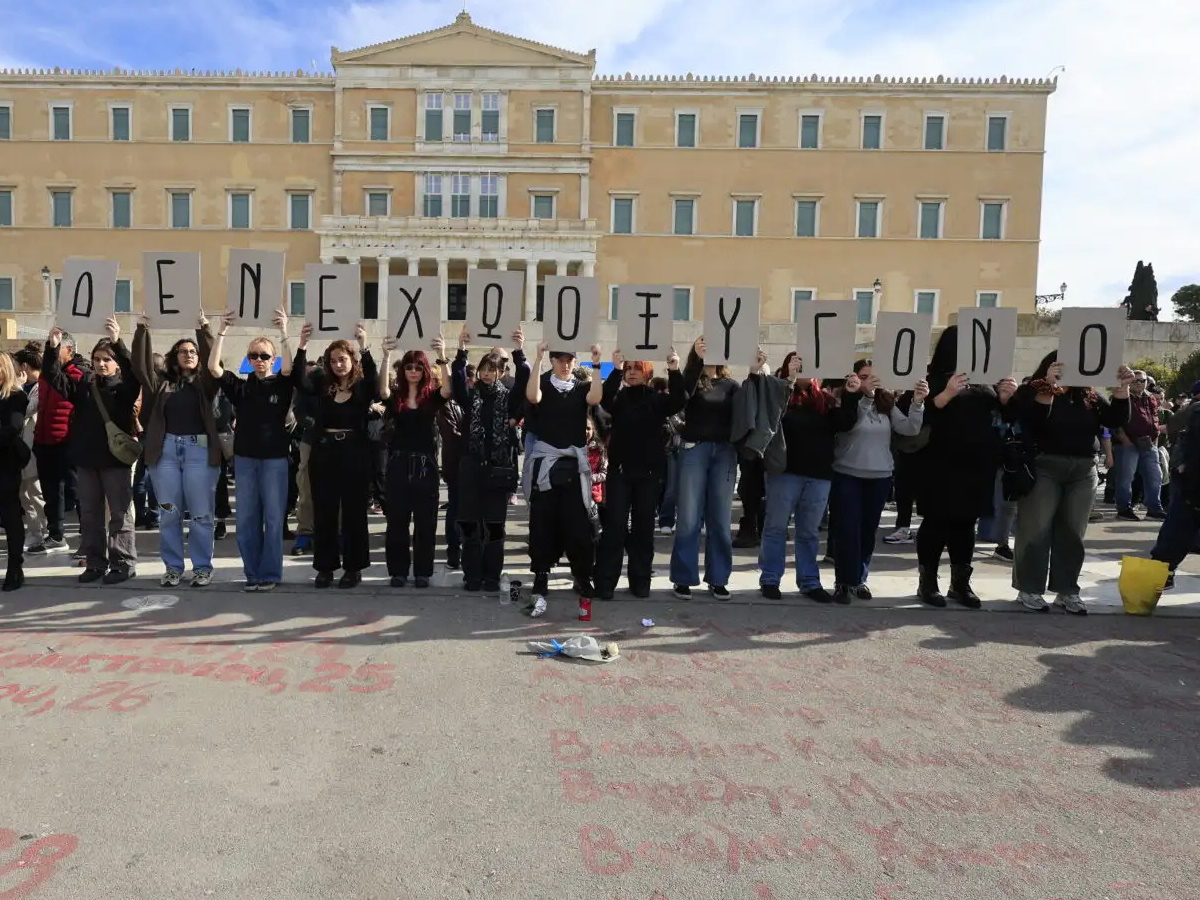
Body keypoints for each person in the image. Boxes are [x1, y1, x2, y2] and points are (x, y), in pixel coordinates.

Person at [1010, 354, 1133, 614]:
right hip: (1044, 465)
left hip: (1083, 468)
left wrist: (1122, 392)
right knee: (1036, 529)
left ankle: (1067, 590)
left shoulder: (1087, 395)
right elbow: (1031, 420)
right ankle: (1029, 588)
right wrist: (1047, 387)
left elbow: (1113, 420)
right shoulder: (1030, 389)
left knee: (1073, 532)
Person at [913, 327, 1018, 608]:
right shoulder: (932, 379)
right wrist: (946, 394)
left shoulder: (985, 383)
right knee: (936, 522)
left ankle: (960, 583)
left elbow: (1005, 416)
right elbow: (922, 414)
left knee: (965, 524)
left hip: (977, 463)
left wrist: (1007, 398)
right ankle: (928, 582)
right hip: (939, 462)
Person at [208, 309, 302, 592]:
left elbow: (291, 368)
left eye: (264, 356)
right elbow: (213, 368)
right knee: (247, 520)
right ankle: (252, 573)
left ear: (273, 360)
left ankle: (271, 573)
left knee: (274, 520)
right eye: (254, 356)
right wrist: (222, 329)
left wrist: (284, 330)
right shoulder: (241, 387)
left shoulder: (282, 384)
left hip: (275, 460)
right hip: (246, 460)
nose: (259, 361)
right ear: (248, 360)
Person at [46, 318, 141, 584]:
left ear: (116, 363)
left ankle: (122, 563)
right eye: (97, 359)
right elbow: (54, 378)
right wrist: (52, 348)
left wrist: (118, 341)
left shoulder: (124, 388)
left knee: (119, 515)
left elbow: (136, 372)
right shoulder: (84, 386)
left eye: (106, 359)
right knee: (90, 517)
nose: (101, 364)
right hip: (86, 461)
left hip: (115, 462)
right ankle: (95, 563)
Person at [133, 313, 224, 588]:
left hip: (199, 452)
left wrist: (203, 328)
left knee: (200, 514)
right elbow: (140, 366)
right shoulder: (161, 384)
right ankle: (173, 568)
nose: (188, 354)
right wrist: (142, 330)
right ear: (174, 357)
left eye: (193, 351)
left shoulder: (205, 383)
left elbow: (213, 362)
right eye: (183, 351)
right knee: (169, 513)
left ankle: (202, 568)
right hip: (167, 453)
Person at [829, 359, 928, 604]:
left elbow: (910, 428)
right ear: (853, 377)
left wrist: (917, 402)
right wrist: (865, 397)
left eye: (873, 377)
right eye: (863, 376)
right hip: (848, 473)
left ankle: (859, 579)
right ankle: (843, 581)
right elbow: (850, 426)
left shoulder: (886, 403)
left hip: (879, 476)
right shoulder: (846, 399)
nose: (868, 381)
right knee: (847, 530)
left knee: (866, 531)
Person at [594, 349, 686, 599]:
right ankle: (605, 583)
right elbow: (603, 400)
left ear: (646, 372)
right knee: (614, 527)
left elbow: (679, 400)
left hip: (648, 474)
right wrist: (614, 368)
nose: (632, 372)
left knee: (644, 529)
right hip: (620, 473)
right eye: (628, 369)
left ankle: (640, 581)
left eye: (636, 368)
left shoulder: (656, 399)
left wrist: (675, 369)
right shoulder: (619, 397)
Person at [524, 341, 604, 615]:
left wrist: (596, 363)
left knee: (578, 526)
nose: (565, 364)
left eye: (569, 359)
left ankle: (581, 577)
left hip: (573, 466)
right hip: (547, 465)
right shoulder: (544, 383)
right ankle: (541, 576)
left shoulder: (582, 388)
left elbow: (596, 398)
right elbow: (532, 397)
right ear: (553, 361)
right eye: (560, 359)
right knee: (543, 523)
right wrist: (537, 358)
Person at [295, 324, 376, 588]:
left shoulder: (362, 387)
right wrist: (302, 345)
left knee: (353, 513)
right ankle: (325, 567)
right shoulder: (322, 383)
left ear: (352, 361)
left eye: (343, 359)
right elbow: (300, 382)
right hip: (325, 452)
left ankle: (353, 568)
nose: (339, 365)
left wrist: (364, 345)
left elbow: (375, 383)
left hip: (354, 453)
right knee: (325, 511)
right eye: (333, 360)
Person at [757, 352, 840, 603]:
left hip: (819, 474)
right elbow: (773, 415)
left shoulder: (825, 400)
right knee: (775, 528)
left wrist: (857, 394)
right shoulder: (779, 391)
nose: (806, 370)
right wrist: (790, 380)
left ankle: (809, 581)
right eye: (799, 365)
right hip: (786, 473)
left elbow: (844, 423)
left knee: (809, 532)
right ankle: (770, 579)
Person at [452, 330, 528, 593]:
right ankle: (472, 575)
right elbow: (457, 381)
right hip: (471, 467)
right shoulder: (470, 397)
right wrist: (461, 350)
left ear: (499, 373)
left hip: (498, 469)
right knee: (470, 525)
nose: (486, 374)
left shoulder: (507, 398)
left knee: (494, 527)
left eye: (491, 370)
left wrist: (519, 351)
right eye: (483, 369)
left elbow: (524, 380)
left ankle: (492, 576)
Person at [378, 335, 452, 588]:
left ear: (424, 370)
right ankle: (398, 571)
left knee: (425, 523)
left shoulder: (432, 397)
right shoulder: (396, 396)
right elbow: (382, 391)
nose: (412, 371)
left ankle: (422, 572)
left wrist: (442, 355)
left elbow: (448, 390)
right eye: (409, 367)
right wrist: (387, 355)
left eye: (418, 367)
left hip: (425, 466)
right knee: (396, 522)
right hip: (398, 464)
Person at [670, 337, 740, 601]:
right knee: (688, 517)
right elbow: (680, 398)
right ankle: (683, 578)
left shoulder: (732, 385)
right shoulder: (693, 380)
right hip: (694, 449)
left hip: (724, 451)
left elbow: (744, 413)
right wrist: (696, 362)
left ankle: (719, 578)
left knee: (720, 519)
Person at [34, 329, 86, 554]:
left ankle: (89, 539)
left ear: (70, 350)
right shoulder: (46, 373)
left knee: (78, 492)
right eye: (50, 345)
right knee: (51, 492)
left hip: (68, 442)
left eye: (57, 346)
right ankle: (56, 536)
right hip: (45, 440)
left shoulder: (79, 373)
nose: (52, 349)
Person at [1152, 380, 1200, 591]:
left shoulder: (1194, 410)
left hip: (1190, 481)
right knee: (1177, 531)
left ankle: (1161, 574)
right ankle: (1161, 574)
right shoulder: (1195, 410)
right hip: (1191, 481)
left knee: (1177, 532)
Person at [1112, 370, 1166, 521]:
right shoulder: (1122, 396)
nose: (1139, 383)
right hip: (1128, 444)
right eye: (1135, 380)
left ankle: (1154, 509)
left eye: (1142, 381)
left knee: (1155, 476)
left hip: (1148, 444)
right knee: (1125, 478)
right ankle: (1123, 509)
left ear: (1147, 382)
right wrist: (1125, 441)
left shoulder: (1150, 398)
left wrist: (1154, 440)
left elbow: (1154, 420)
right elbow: (1114, 422)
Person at [437, 363, 473, 571]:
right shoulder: (448, 404)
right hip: (456, 462)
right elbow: (452, 434)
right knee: (456, 508)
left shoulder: (471, 400)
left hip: (470, 462)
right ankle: (454, 552)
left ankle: (468, 550)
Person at [13, 344, 48, 556]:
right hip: (18, 449)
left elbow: (24, 411)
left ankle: (40, 533)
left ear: (24, 367)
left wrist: (17, 387)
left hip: (32, 448)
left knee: (35, 493)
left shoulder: (39, 386)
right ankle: (33, 531)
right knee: (24, 494)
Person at [0, 352, 30, 591]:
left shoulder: (15, 396)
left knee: (10, 517)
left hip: (5, 464)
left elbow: (14, 427)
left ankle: (14, 568)